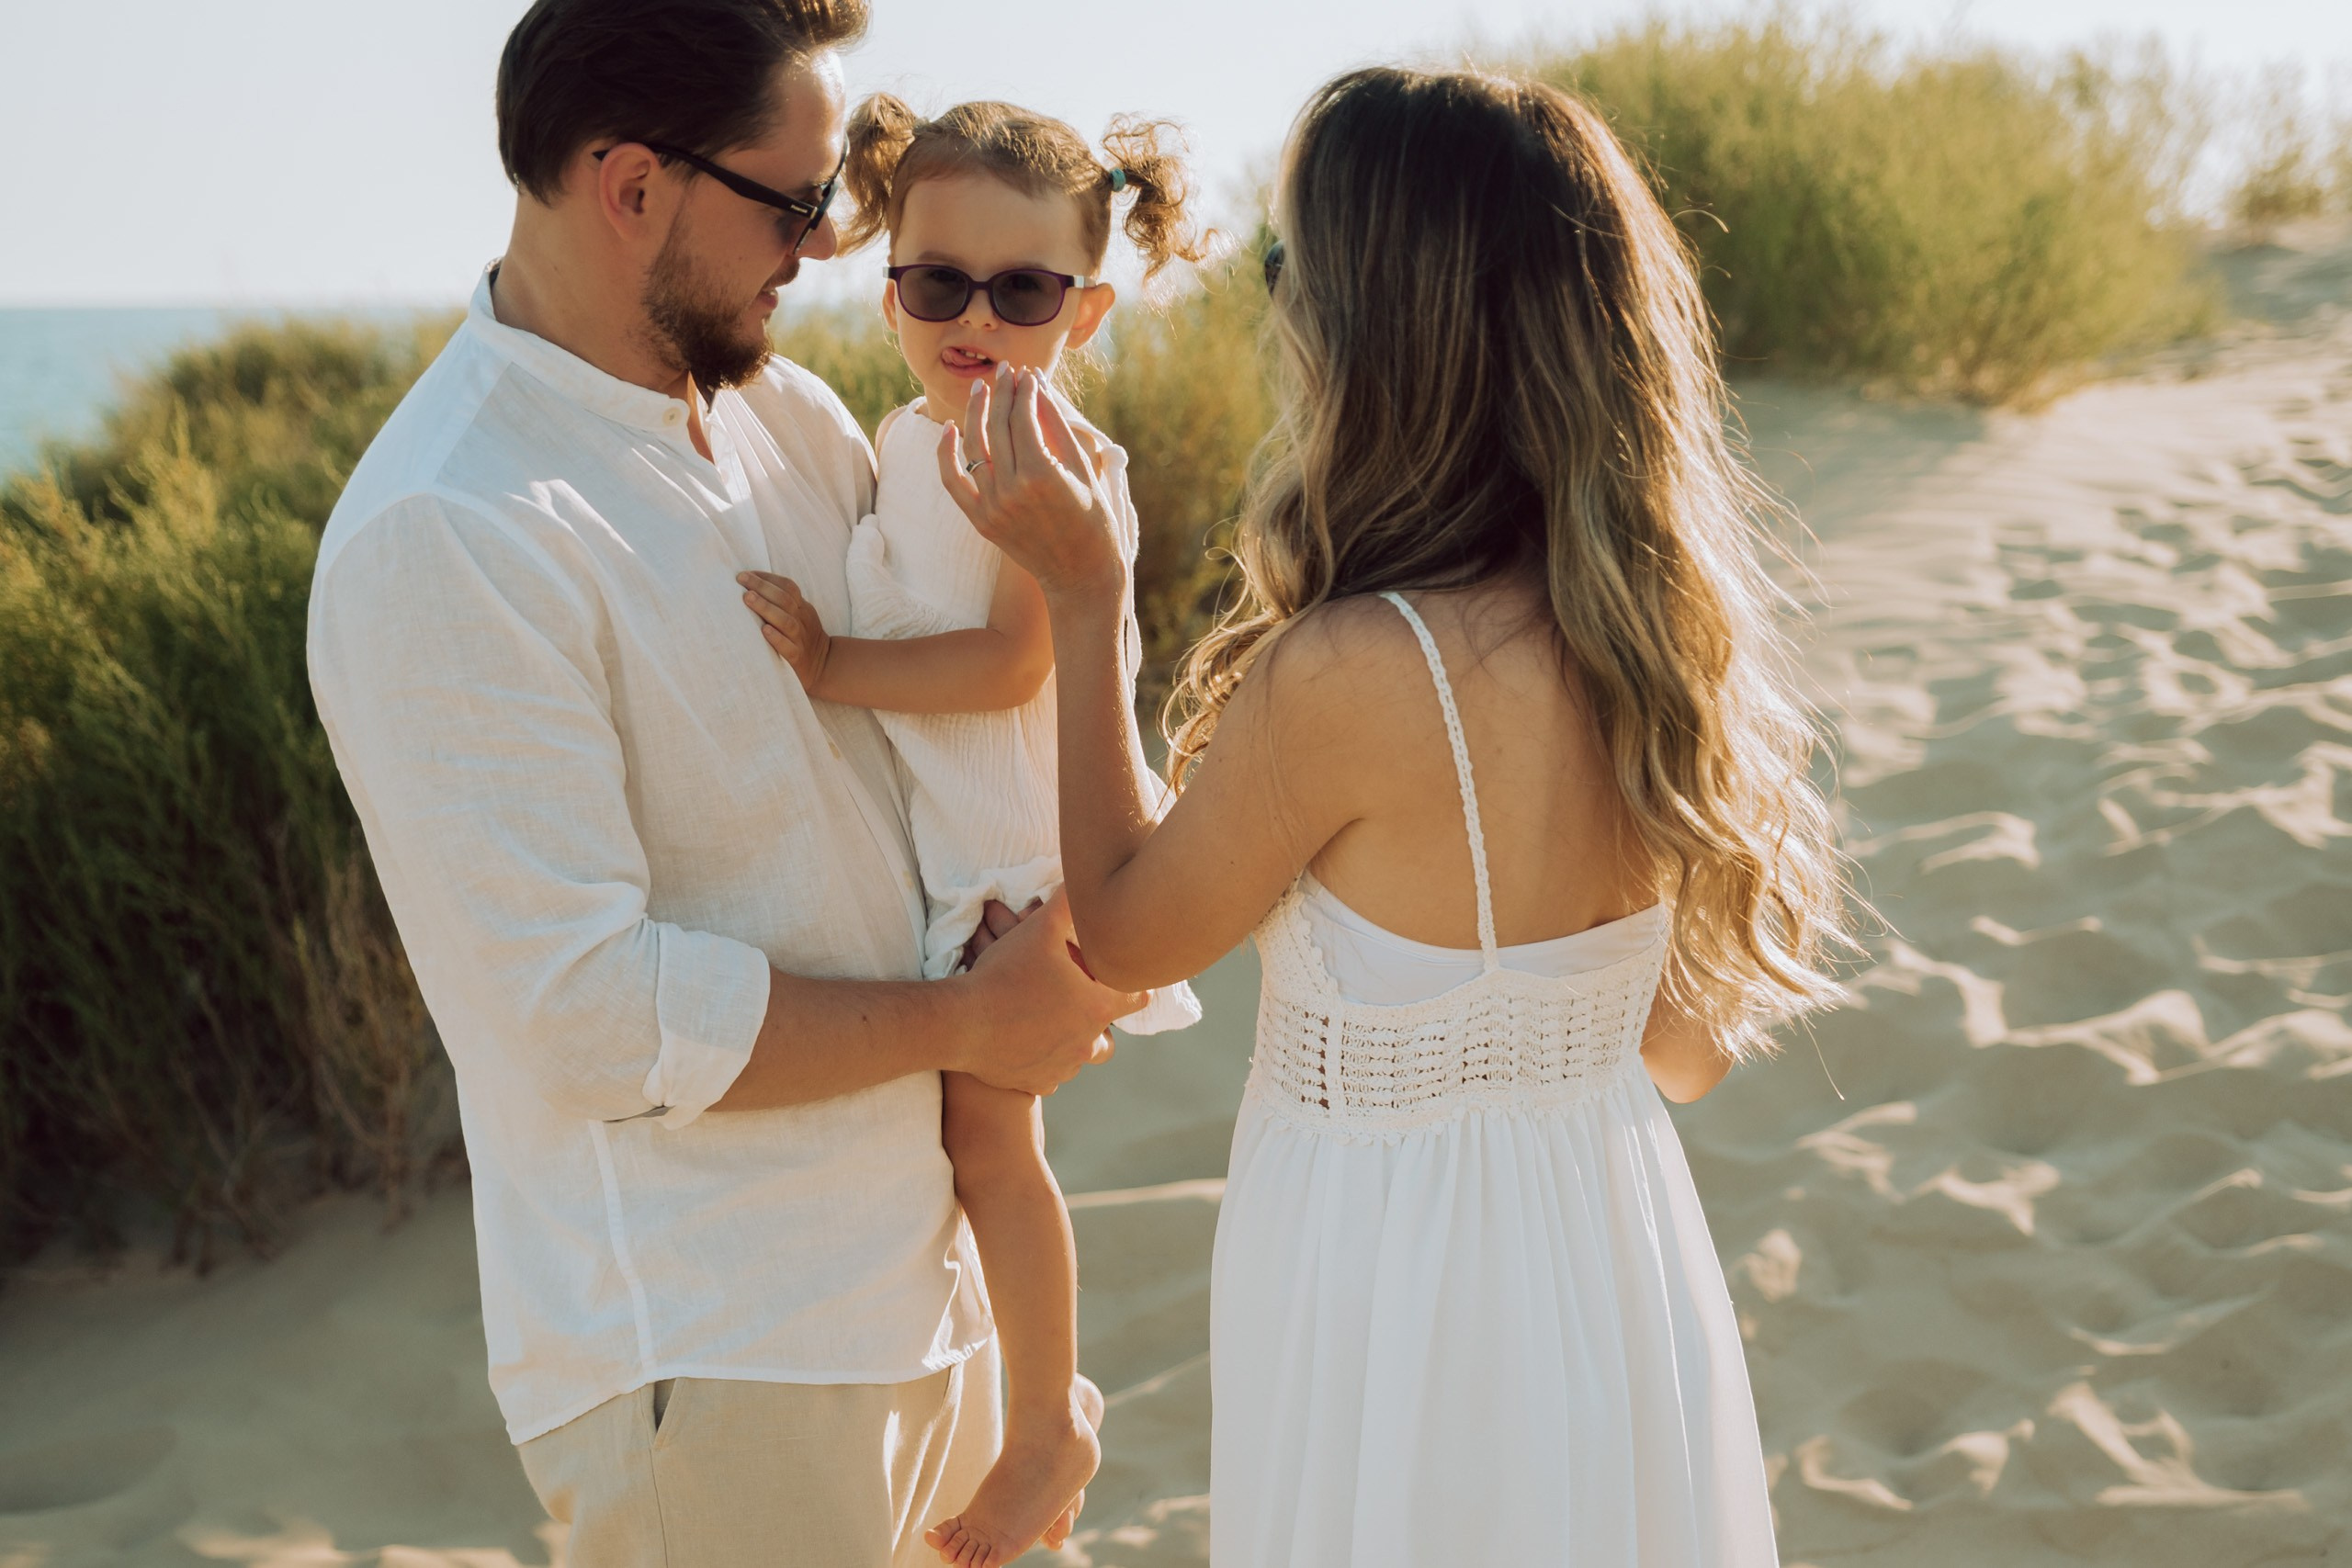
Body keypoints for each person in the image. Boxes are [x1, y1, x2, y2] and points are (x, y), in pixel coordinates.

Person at [944, 66, 1856, 1568]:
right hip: (1613, 1269)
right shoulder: (1647, 646)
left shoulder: (1363, 667)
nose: (1279, 304)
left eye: (1286, 264)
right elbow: (1679, 1058)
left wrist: (1085, 587)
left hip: (1406, 1302)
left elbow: (1119, 926)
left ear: (1382, 319)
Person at [304, 1, 1141, 1561]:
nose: (827, 247)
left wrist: (1051, 941)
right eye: (795, 200)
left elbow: (949, 742)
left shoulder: (793, 421)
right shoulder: (450, 529)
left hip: (935, 1308)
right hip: (717, 1362)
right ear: (632, 186)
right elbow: (583, 1012)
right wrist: (974, 1019)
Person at [734, 95, 1204, 1567]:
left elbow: (1012, 660)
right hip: (972, 863)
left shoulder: (1051, 455)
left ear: (1089, 308)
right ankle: (1016, 1410)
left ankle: (1050, 1421)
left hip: (1045, 859)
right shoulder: (899, 434)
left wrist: (834, 669)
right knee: (969, 1144)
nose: (976, 319)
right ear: (888, 281)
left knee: (990, 1143)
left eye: (1024, 291)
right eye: (938, 282)